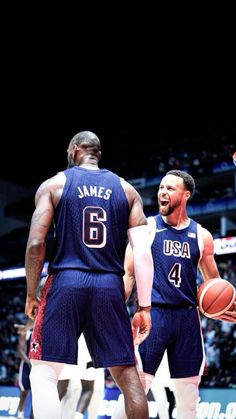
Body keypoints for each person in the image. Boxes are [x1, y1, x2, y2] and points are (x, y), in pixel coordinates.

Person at [24, 130, 154, 419]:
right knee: (129, 378)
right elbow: (143, 254)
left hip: (66, 282)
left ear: (74, 149)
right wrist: (144, 306)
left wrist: (31, 293)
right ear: (98, 153)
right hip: (109, 285)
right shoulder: (127, 190)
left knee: (44, 373)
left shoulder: (55, 184)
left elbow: (35, 244)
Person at [111, 169, 236, 419]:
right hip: (153, 316)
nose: (162, 192)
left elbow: (214, 283)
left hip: (187, 319)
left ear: (186, 194)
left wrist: (224, 306)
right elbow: (128, 275)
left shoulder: (202, 236)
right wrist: (110, 313)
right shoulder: (145, 228)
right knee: (137, 388)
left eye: (170, 188)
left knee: (189, 397)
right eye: (161, 188)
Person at [14, 319, 34, 419]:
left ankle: (33, 416)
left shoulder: (42, 332)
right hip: (26, 366)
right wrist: (29, 362)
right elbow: (19, 351)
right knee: (24, 392)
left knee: (36, 393)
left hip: (37, 366)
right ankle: (20, 414)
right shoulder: (25, 333)